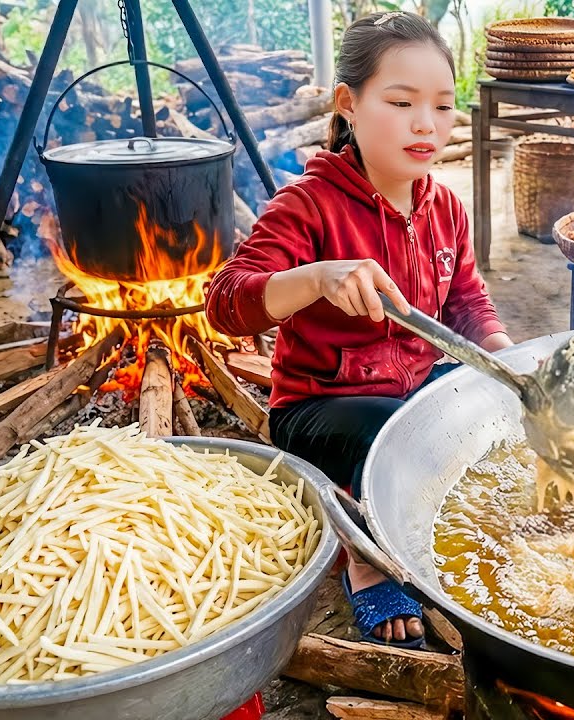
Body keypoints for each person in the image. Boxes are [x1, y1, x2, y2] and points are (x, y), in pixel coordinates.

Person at [205, 10, 512, 648]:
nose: (426, 124)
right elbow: (227, 303)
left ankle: (422, 522)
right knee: (400, 444)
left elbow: (467, 303)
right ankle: (367, 561)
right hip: (324, 411)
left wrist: (510, 361)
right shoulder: (307, 205)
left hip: (415, 390)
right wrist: (316, 278)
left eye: (441, 106)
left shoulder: (444, 206)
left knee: (497, 416)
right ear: (349, 104)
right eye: (400, 102)